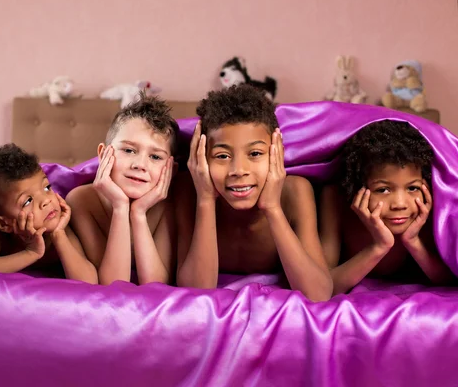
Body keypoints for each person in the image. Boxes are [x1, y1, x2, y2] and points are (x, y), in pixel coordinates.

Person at [175, 84, 332, 302]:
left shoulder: (295, 192)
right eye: (222, 156)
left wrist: (273, 208)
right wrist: (206, 199)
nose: (239, 170)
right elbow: (196, 292)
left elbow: (318, 293)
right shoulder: (189, 191)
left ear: (276, 152)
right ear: (200, 157)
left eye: (255, 153)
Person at [319, 120, 454, 294]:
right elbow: (324, 287)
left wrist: (413, 242)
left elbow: (449, 282)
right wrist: (379, 246)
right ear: (357, 188)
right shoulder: (335, 200)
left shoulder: (426, 209)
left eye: (412, 188)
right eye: (383, 190)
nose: (399, 204)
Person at [66, 92, 178, 285]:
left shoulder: (169, 204)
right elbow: (112, 283)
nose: (139, 164)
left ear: (171, 170)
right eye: (128, 150)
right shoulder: (81, 201)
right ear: (103, 154)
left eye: (155, 157)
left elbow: (156, 285)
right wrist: (120, 207)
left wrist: (139, 214)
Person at [0, 143, 97, 284]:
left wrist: (58, 235)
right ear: (3, 223)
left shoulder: (60, 227)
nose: (46, 201)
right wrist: (31, 253)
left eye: (46, 187)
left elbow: (88, 281)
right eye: (28, 201)